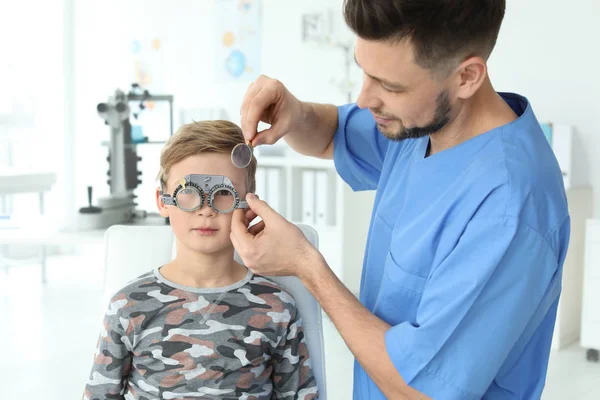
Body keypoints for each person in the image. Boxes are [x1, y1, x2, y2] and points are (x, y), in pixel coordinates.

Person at [231, 0, 569, 399]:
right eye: (364, 71)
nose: (364, 99)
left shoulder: (509, 208)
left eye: (389, 86)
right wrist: (297, 112)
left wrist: (306, 266)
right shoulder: (421, 126)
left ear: (467, 77)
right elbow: (331, 135)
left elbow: (424, 391)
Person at [83, 121, 318, 400]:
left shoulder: (277, 306)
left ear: (248, 206)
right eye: (189, 193)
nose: (206, 209)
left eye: (223, 194)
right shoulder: (128, 305)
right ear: (163, 201)